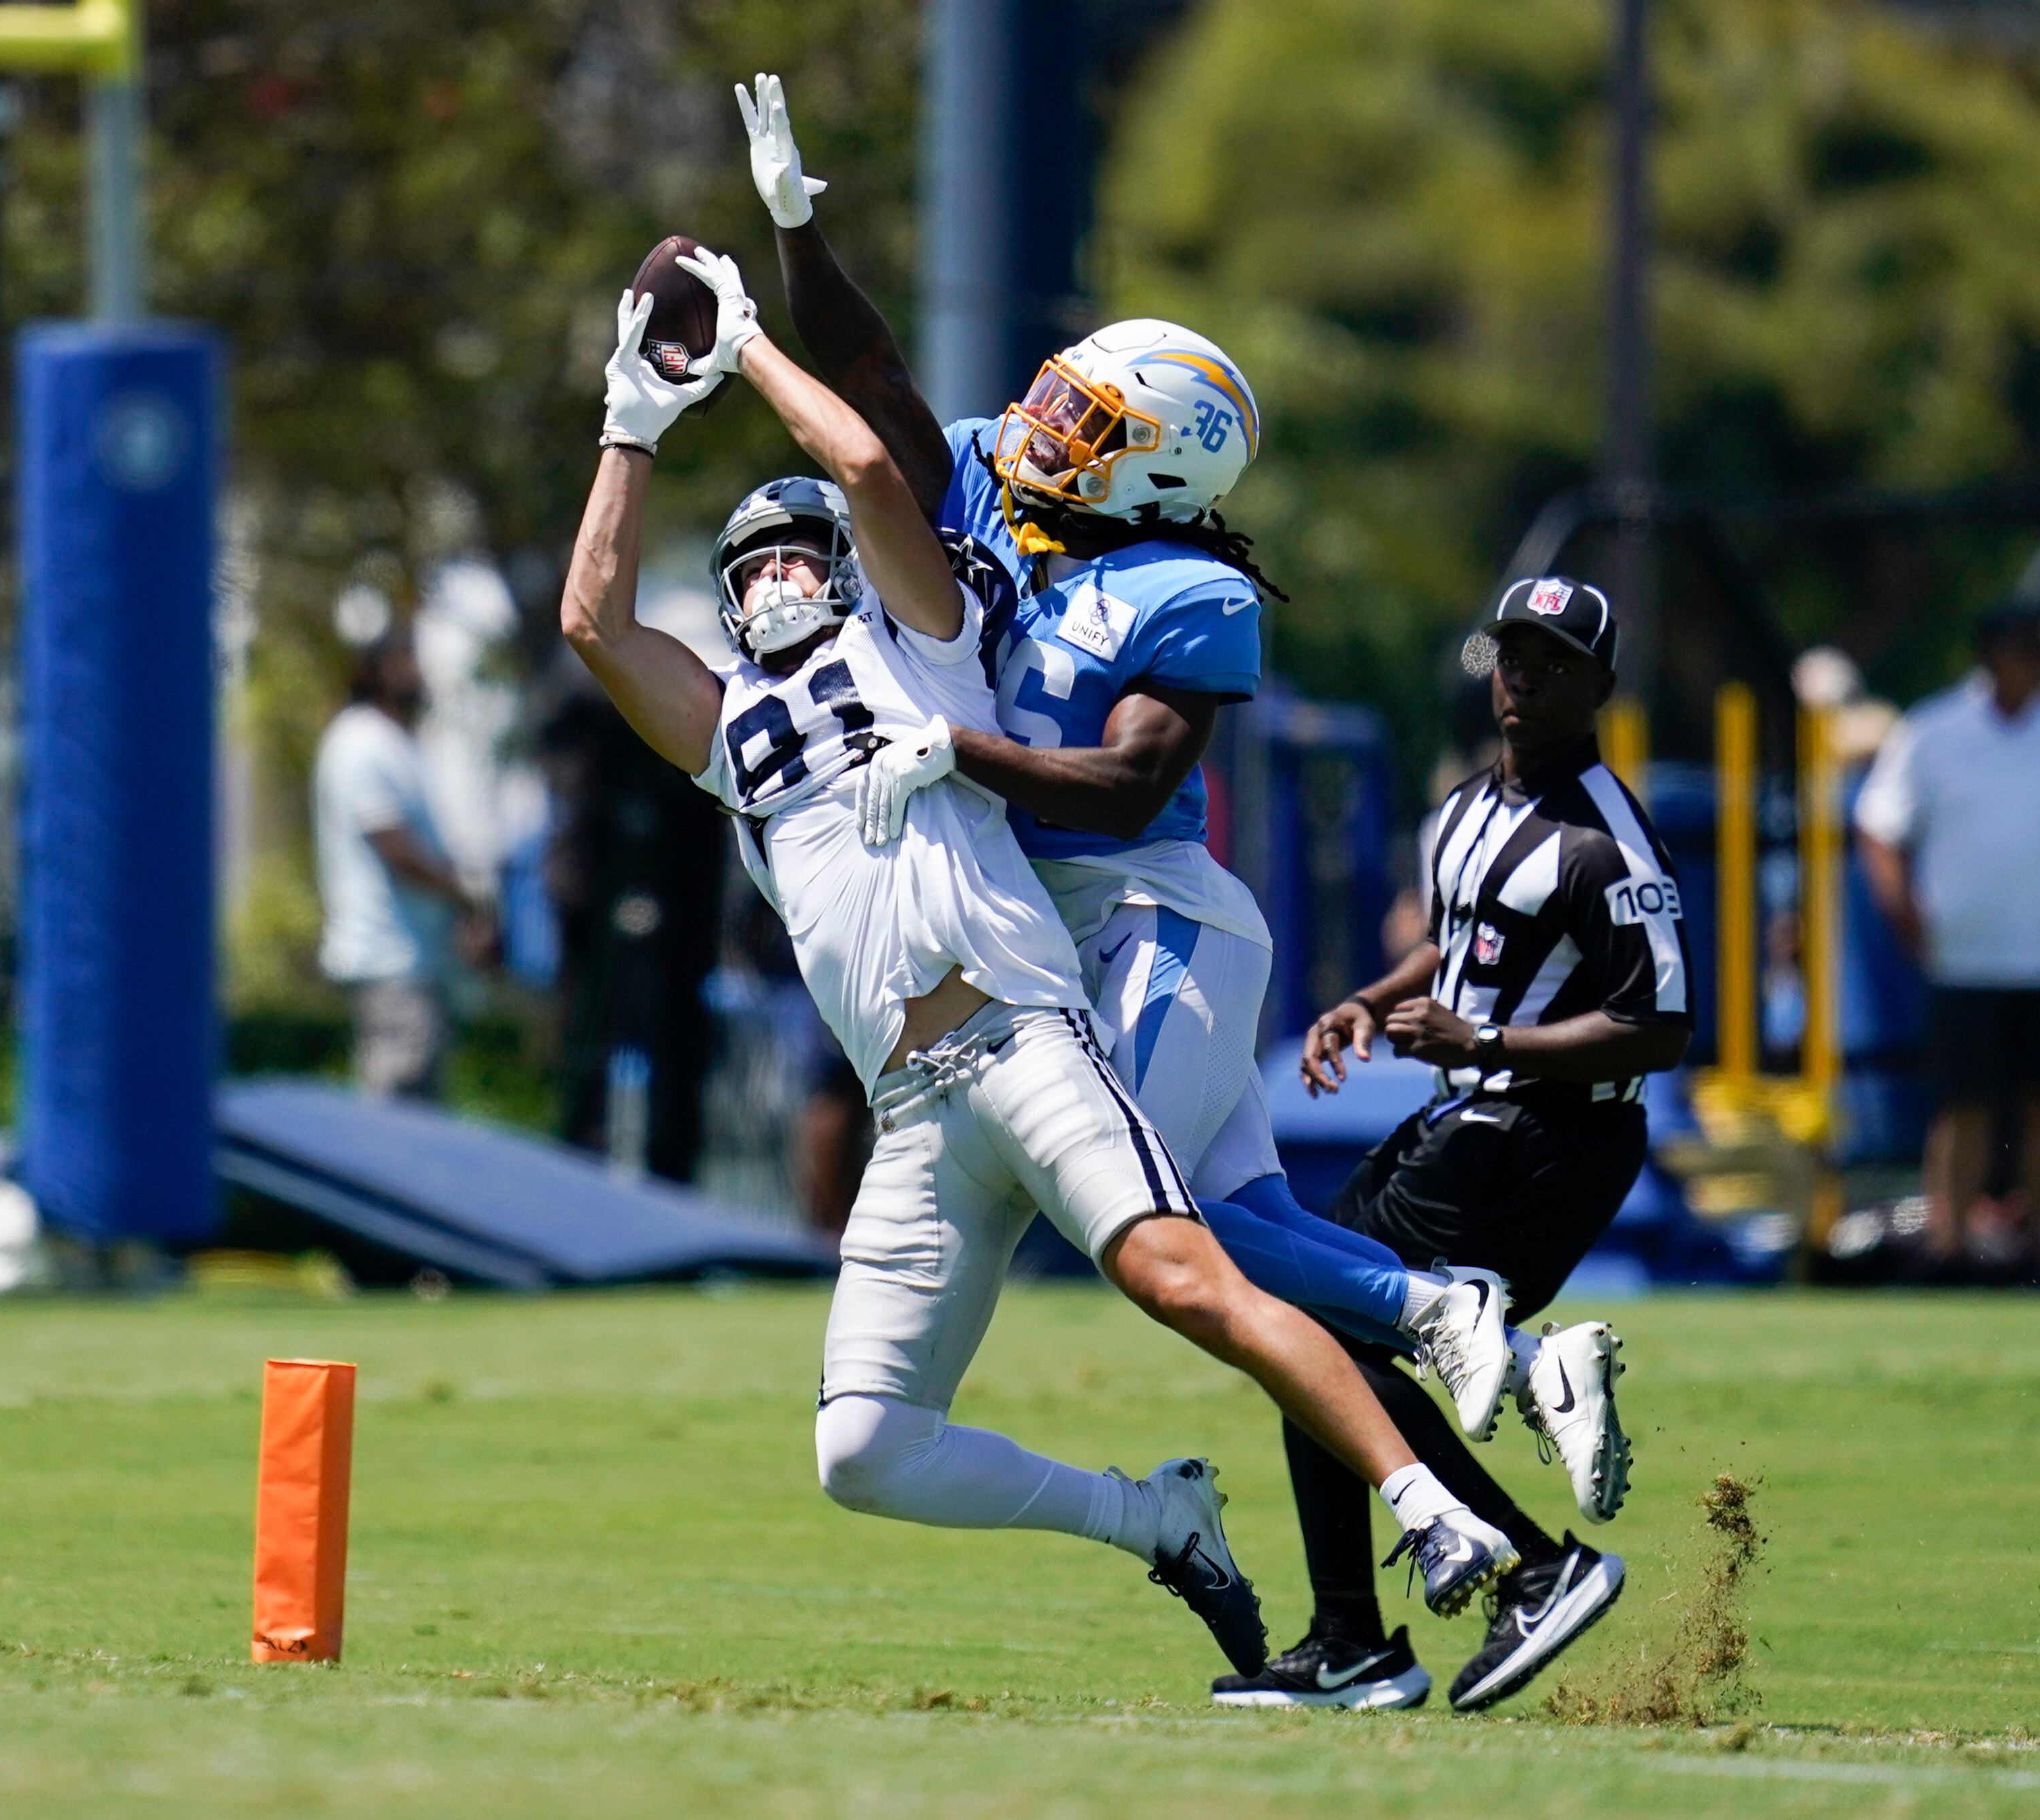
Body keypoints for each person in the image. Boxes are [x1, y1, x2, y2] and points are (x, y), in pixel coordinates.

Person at [565, 247, 1523, 1675]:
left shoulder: (929, 651)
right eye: (746, 559)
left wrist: (746, 349)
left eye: (792, 549)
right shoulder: (729, 729)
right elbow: (592, 622)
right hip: (913, 1108)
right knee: (863, 1449)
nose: (771, 573)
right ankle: (1157, 1522)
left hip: (1023, 1035)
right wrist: (630, 425)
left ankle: (1434, 1508)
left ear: (849, 574)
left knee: (1184, 1272)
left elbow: (876, 471)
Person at [736, 70, 1534, 1408]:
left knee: (1141, 1215)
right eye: (1058, 402)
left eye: (1089, 427)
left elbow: (1125, 787)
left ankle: (1439, 1307)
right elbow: (873, 378)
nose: (1043, 431)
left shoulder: (1188, 591)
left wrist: (955, 749)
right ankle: (1458, 1388)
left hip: (1154, 917)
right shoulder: (998, 489)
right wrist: (794, 235)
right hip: (1050, 927)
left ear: (1163, 466)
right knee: (1226, 1228)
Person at [1242, 580, 1690, 1712]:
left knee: (1310, 1326)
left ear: (1600, 684)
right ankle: (1355, 1633)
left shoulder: (1603, 843)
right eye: (1509, 655)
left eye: (1550, 661)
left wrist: (1485, 1036)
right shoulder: (1465, 811)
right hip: (1466, 1123)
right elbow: (1456, 952)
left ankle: (1532, 1567)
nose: (1521, 677)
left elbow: (1662, 1022)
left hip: (1548, 1139)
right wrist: (1365, 1000)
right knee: (1304, 1334)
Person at [1856, 605, 2040, 1278]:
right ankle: (1950, 1246)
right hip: (1966, 957)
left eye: (2037, 654)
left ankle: (2038, 1249)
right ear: (1989, 658)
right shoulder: (1932, 732)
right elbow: (1878, 826)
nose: (2029, 666)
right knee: (1963, 1106)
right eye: (2018, 652)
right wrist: (1901, 908)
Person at [314, 630, 496, 1100]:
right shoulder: (363, 740)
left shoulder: (394, 741)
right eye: (406, 661)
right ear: (376, 670)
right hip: (389, 957)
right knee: (397, 1118)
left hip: (413, 959)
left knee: (415, 1112)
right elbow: (395, 848)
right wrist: (467, 897)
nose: (418, 674)